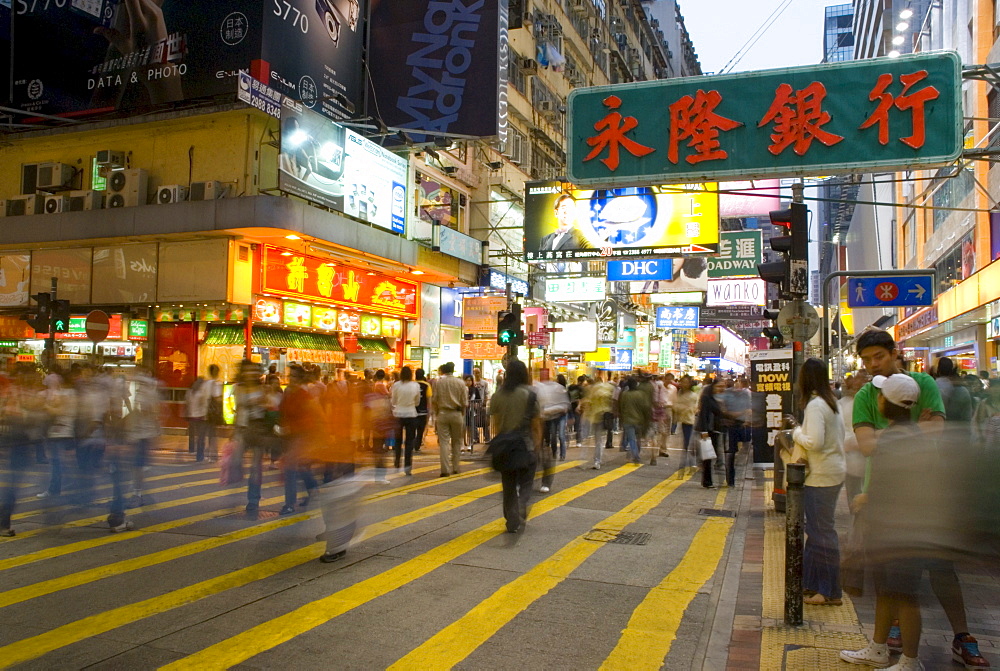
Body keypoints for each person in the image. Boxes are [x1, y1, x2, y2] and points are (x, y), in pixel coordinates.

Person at [842, 328, 990, 671]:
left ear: (894, 353)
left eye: (878, 356)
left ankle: (960, 637)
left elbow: (934, 431)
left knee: (938, 575)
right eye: (866, 360)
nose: (873, 364)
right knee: (889, 578)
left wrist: (887, 436)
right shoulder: (867, 394)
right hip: (879, 493)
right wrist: (911, 432)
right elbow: (867, 445)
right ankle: (884, 643)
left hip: (927, 495)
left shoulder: (922, 384)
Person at [787, 358, 846, 606]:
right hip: (832, 472)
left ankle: (830, 591)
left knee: (822, 533)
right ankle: (809, 583)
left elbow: (816, 442)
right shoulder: (831, 402)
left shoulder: (815, 405)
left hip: (821, 476)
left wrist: (796, 431)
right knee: (817, 531)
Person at [488, 359, 540, 534]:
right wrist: (537, 446)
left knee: (508, 484)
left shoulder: (498, 395)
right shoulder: (529, 394)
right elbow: (536, 424)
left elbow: (495, 424)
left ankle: (511, 519)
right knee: (526, 483)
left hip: (504, 446)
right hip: (525, 444)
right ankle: (520, 506)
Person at [277, 365, 320, 515]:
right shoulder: (287, 392)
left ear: (300, 379)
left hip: (304, 434)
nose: (291, 380)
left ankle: (289, 504)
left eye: (294, 377)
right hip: (290, 435)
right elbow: (282, 411)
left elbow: (316, 413)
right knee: (300, 466)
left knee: (290, 466)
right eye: (290, 376)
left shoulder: (304, 394)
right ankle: (313, 489)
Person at [431, 362, 467, 477]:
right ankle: (456, 467)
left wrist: (437, 413)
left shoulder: (438, 382)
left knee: (444, 442)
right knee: (457, 442)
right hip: (457, 414)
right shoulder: (460, 383)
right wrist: (462, 414)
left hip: (442, 413)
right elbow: (464, 402)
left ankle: (445, 470)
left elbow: (434, 400)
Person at [390, 366, 420, 476]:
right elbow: (417, 402)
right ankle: (408, 467)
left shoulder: (396, 385)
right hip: (411, 414)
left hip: (398, 414)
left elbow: (393, 400)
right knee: (409, 442)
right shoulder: (415, 385)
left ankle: (397, 461)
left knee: (397, 440)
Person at [722, 377, 751, 487]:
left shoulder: (746, 394)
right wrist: (738, 414)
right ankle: (731, 480)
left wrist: (747, 419)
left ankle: (736, 474)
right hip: (730, 427)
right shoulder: (727, 394)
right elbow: (724, 410)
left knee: (742, 451)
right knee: (730, 453)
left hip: (743, 426)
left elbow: (749, 409)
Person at [695, 378, 723, 488]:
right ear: (713, 386)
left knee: (709, 456)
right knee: (707, 457)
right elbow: (703, 415)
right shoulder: (707, 398)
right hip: (708, 431)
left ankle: (708, 481)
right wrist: (704, 431)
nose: (721, 388)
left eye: (723, 386)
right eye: (719, 386)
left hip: (715, 430)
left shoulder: (714, 398)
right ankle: (707, 482)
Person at [585, 373, 615, 469]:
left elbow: (589, 403)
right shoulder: (609, 388)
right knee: (602, 438)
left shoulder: (593, 390)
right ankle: (599, 457)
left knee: (598, 439)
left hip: (596, 416)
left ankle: (597, 460)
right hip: (606, 416)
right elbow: (613, 401)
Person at [618, 377, 651, 464]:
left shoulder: (624, 394)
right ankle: (636, 454)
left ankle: (636, 456)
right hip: (639, 420)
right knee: (638, 439)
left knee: (631, 439)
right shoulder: (641, 394)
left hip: (628, 420)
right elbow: (646, 408)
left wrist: (621, 419)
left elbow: (621, 407)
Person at [674, 375, 699, 466]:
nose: (683, 384)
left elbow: (692, 408)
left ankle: (690, 462)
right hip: (682, 420)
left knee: (688, 442)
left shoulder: (692, 395)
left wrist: (681, 407)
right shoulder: (680, 393)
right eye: (682, 381)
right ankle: (687, 462)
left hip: (690, 421)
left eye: (685, 382)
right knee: (686, 442)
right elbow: (676, 405)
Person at [414, 368, 432, 453]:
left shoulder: (412, 384)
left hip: (412, 410)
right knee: (420, 429)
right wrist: (429, 409)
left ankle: (412, 443)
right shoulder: (427, 385)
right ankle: (417, 445)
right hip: (423, 410)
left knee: (412, 428)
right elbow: (429, 398)